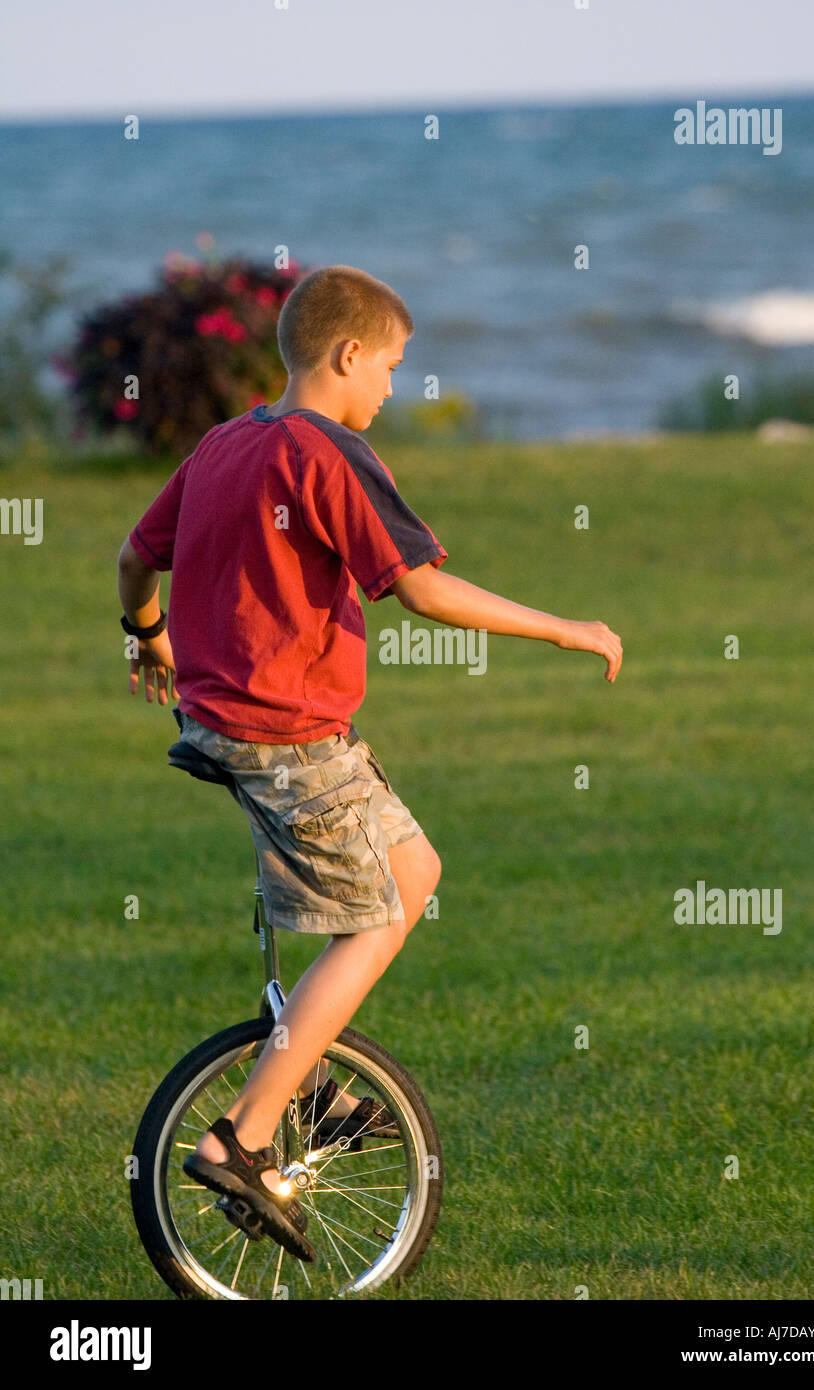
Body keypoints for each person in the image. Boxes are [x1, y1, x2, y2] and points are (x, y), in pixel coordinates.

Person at [117, 264, 623, 1260]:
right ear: (348, 355)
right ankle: (245, 1135)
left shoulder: (225, 443)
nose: (392, 388)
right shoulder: (327, 455)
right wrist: (564, 628)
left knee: (414, 871)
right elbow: (421, 590)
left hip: (228, 723)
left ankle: (301, 1065)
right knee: (376, 918)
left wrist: (146, 636)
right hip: (287, 736)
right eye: (391, 366)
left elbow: (136, 556)